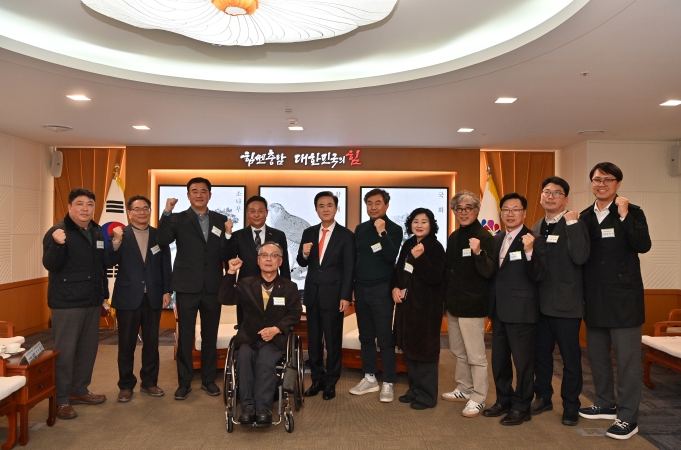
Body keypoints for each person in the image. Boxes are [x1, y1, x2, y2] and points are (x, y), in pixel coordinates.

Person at [577, 162, 651, 440]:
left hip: (624, 301)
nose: (602, 184)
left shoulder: (633, 212)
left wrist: (624, 216)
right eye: (597, 179)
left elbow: (643, 245)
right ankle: (605, 403)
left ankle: (628, 417)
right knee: (597, 358)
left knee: (628, 362)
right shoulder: (584, 217)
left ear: (618, 184)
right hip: (594, 299)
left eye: (608, 179)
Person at [157, 177, 229, 400]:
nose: (199, 195)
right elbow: (162, 240)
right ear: (188, 195)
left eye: (203, 191)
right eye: (194, 191)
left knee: (210, 336)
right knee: (186, 336)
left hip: (212, 286)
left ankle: (208, 380)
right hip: (186, 286)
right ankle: (184, 382)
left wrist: (228, 235)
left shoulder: (220, 220)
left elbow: (224, 253)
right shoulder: (178, 218)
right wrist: (167, 212)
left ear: (210, 195)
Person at [42, 187, 108, 420]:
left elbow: (101, 266)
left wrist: (103, 295)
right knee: (66, 353)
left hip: (91, 300)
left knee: (87, 350)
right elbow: (50, 264)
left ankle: (79, 390)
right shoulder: (58, 231)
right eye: (79, 204)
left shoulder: (96, 231)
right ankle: (61, 400)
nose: (85, 209)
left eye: (90, 204)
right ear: (70, 207)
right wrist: (57, 244)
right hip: (67, 303)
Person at [218, 243, 302, 426]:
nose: (269, 259)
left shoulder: (289, 287)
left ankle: (264, 409)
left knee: (265, 358)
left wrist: (276, 329)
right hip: (248, 338)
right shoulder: (246, 284)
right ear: (258, 260)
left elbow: (295, 314)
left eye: (274, 256)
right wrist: (231, 272)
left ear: (280, 261)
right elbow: (225, 298)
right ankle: (248, 407)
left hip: (275, 341)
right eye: (264, 255)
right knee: (244, 356)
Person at [530, 177, 589, 426]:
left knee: (570, 358)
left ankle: (571, 405)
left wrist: (572, 224)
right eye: (546, 192)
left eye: (557, 193)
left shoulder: (575, 223)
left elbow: (581, 256)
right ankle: (543, 397)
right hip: (540, 305)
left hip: (566, 304)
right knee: (541, 356)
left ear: (566, 199)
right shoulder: (537, 225)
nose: (550, 196)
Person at [483, 193, 546, 426]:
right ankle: (504, 400)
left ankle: (522, 406)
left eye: (515, 209)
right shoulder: (497, 239)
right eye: (506, 210)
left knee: (523, 363)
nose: (510, 214)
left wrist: (529, 252)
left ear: (524, 213)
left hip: (522, 311)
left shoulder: (534, 239)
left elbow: (539, 275)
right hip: (499, 310)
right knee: (499, 361)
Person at [106, 195, 172, 402]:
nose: (142, 212)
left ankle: (149, 382)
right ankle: (126, 385)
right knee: (126, 344)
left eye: (146, 208)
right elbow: (109, 261)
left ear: (150, 211)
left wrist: (167, 291)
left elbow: (165, 265)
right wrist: (116, 242)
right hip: (127, 297)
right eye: (137, 209)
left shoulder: (158, 235)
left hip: (153, 296)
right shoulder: (120, 234)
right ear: (129, 213)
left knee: (152, 343)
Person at [297, 191, 355, 401]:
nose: (325, 209)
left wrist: (345, 296)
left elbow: (349, 269)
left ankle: (331, 382)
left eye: (329, 205)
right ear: (316, 210)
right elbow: (302, 262)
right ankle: (317, 380)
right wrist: (304, 253)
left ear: (336, 208)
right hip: (312, 295)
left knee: (332, 342)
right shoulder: (309, 232)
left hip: (334, 296)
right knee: (313, 342)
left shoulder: (346, 235)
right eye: (321, 206)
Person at [442, 190, 496, 418]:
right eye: (459, 209)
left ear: (477, 210)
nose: (463, 213)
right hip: (454, 305)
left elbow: (489, 271)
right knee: (458, 351)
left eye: (468, 208)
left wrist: (478, 252)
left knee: (476, 355)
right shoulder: (454, 236)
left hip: (472, 305)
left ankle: (479, 397)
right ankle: (464, 388)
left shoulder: (485, 237)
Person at [349, 188, 403, 403]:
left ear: (386, 205)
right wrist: (352, 286)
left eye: (378, 203)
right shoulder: (360, 229)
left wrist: (382, 232)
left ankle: (388, 381)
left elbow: (391, 256)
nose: (373, 207)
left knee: (384, 337)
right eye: (369, 203)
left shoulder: (395, 229)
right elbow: (355, 259)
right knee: (366, 336)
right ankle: (370, 377)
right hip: (361, 288)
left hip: (382, 289)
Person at [391, 208, 445, 410]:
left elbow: (435, 277)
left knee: (425, 352)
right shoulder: (408, 243)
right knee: (409, 349)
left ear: (431, 225)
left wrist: (420, 258)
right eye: (415, 221)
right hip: (407, 307)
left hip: (426, 309)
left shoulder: (436, 247)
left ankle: (427, 396)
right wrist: (395, 288)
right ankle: (414, 390)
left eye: (424, 221)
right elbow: (399, 271)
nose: (419, 225)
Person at [226, 195, 291, 324]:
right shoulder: (238, 235)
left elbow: (284, 265)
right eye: (252, 211)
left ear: (266, 212)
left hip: (273, 289)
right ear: (247, 213)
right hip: (246, 290)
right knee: (245, 327)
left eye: (260, 211)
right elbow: (228, 258)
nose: (256, 215)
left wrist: (287, 290)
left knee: (272, 326)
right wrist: (228, 235)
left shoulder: (278, 235)